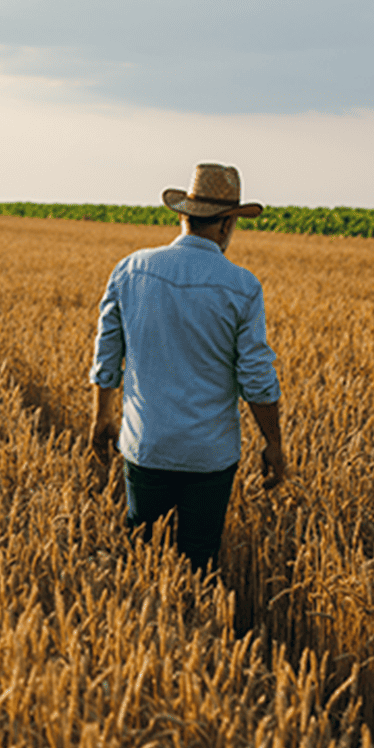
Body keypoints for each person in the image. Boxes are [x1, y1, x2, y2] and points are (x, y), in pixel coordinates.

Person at [88, 162, 285, 572]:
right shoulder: (242, 286)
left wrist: (102, 416)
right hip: (209, 457)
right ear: (227, 223)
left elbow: (107, 354)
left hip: (147, 446)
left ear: (183, 215)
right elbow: (257, 380)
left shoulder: (131, 269)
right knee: (199, 564)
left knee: (142, 559)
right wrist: (273, 443)